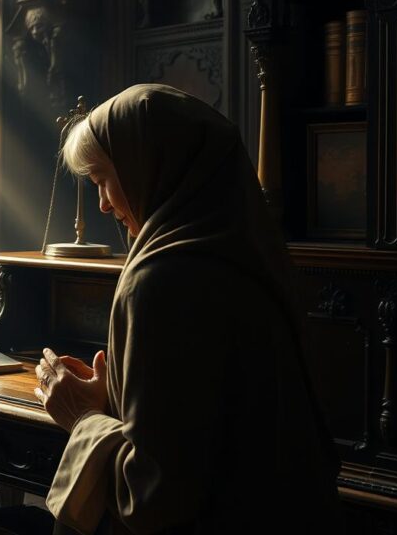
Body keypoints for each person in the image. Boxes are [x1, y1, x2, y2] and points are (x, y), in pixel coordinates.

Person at [28, 84, 343, 534]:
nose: (101, 204)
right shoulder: (249, 256)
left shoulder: (160, 279)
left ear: (147, 166)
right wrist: (115, 401)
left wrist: (81, 419)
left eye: (102, 180)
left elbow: (153, 497)